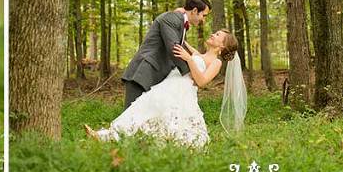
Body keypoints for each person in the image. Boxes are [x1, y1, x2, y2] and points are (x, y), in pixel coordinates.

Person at [85, 29, 246, 147]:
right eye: (215, 32)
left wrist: (189, 60)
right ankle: (106, 135)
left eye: (218, 35)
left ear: (222, 46)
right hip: (168, 85)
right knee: (141, 108)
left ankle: (153, 145)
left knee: (168, 121)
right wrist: (179, 24)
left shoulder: (216, 62)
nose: (213, 34)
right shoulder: (199, 54)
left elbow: (202, 81)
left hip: (181, 92)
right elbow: (181, 42)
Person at [120, 0, 211, 109]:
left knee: (142, 119)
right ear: (194, 10)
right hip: (144, 72)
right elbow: (175, 50)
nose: (203, 20)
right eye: (204, 15)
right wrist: (191, 74)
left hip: (156, 74)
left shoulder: (179, 21)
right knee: (129, 116)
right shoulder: (171, 18)